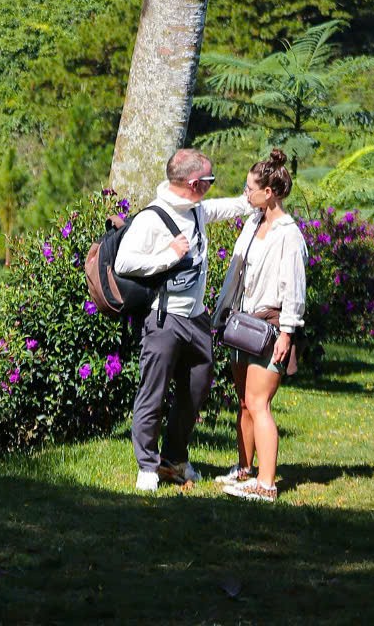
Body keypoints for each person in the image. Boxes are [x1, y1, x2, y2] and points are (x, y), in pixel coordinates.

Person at [113, 147, 251, 492]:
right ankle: (147, 464)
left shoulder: (197, 210)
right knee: (153, 392)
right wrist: (167, 255)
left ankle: (174, 458)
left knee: (197, 387)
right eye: (210, 179)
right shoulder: (151, 219)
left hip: (196, 318)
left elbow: (226, 207)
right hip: (164, 319)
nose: (212, 185)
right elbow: (124, 263)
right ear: (194, 183)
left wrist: (253, 198)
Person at [219, 148, 307, 503]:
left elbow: (294, 288)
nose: (246, 195)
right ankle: (245, 469)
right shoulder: (253, 224)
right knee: (244, 401)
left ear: (268, 192)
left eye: (249, 189)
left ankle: (267, 484)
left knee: (259, 403)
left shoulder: (289, 234)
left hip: (271, 325)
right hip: (244, 322)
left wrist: (287, 332)